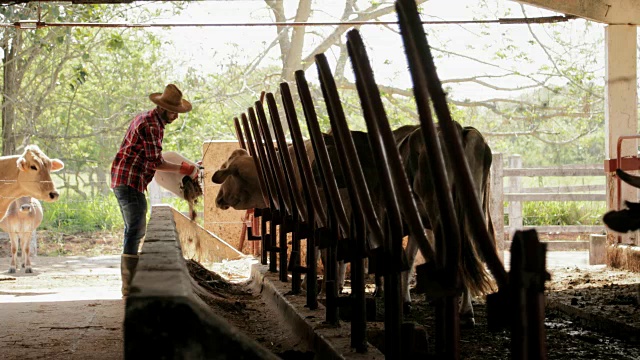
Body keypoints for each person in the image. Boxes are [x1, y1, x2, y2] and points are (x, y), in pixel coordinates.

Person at [110, 84, 200, 297]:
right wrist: (183, 168)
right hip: (130, 180)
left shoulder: (145, 118)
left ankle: (130, 284)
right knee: (135, 229)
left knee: (132, 229)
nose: (176, 117)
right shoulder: (153, 126)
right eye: (174, 112)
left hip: (124, 178)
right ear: (163, 109)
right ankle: (129, 287)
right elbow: (156, 162)